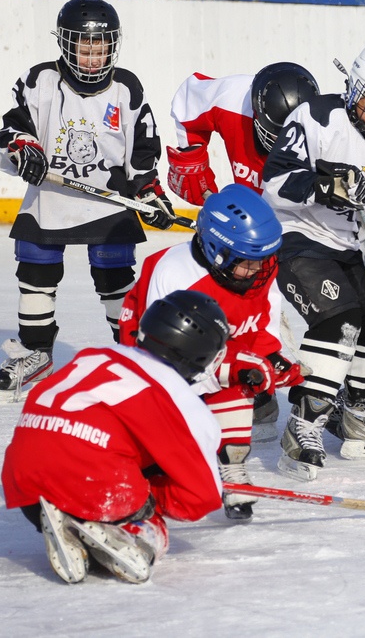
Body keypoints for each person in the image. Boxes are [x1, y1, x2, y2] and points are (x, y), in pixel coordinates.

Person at [0, 0, 174, 404]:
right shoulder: (39, 81)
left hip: (109, 203)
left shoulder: (127, 88)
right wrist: (24, 150)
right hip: (51, 197)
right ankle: (36, 352)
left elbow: (141, 150)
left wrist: (149, 192)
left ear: (113, 46)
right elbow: (8, 134)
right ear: (66, 45)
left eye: (101, 48)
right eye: (84, 49)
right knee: (35, 270)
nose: (93, 58)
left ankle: (133, 355)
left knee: (114, 282)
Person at [261, 40, 365, 481]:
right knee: (340, 319)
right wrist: (323, 184)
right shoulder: (318, 117)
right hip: (296, 237)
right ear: (355, 89)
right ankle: (303, 423)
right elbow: (274, 183)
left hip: (349, 247)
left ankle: (361, 416)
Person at [1, 290, 230, 585]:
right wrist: (153, 492)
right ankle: (128, 534)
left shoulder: (94, 355)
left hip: (24, 480)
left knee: (106, 462)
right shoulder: (179, 397)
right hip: (98, 483)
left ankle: (75, 529)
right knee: (150, 521)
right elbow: (202, 497)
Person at [118, 185, 304, 519]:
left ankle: (232, 467)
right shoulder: (175, 274)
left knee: (242, 375)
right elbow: (167, 361)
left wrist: (270, 357)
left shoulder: (257, 270)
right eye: (248, 262)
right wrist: (234, 365)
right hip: (158, 356)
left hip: (212, 345)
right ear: (217, 250)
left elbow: (262, 324)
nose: (259, 271)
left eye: (263, 260)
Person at [165, 62, 320, 205]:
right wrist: (192, 156)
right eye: (277, 135)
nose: (284, 143)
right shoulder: (231, 98)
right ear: (256, 114)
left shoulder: (328, 130)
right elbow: (188, 100)